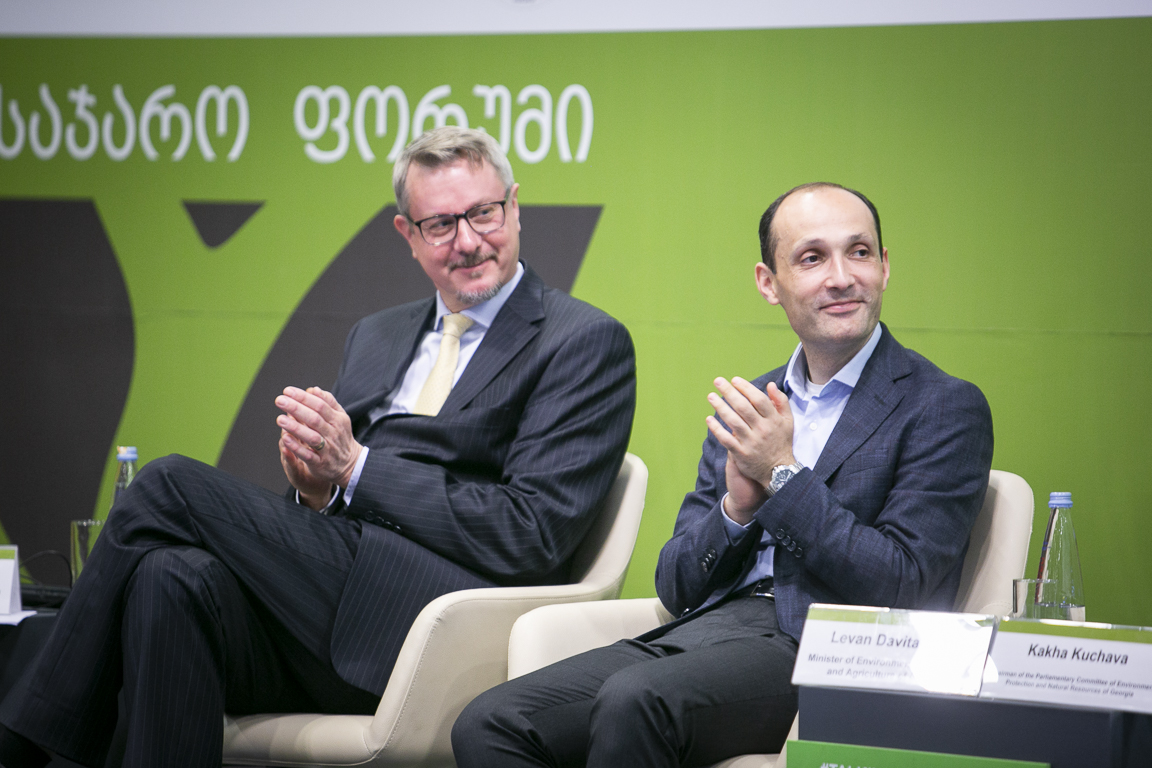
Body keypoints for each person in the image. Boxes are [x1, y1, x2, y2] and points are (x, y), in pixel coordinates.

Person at [0, 126, 636, 768]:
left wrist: (356, 468)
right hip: (332, 605)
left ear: (514, 207)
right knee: (171, 579)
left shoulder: (581, 341)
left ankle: (23, 742)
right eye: (441, 224)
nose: (468, 241)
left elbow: (531, 533)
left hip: (439, 620)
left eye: (483, 213)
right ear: (408, 235)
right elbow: (334, 504)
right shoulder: (377, 335)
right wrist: (318, 493)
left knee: (167, 485)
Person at [453, 182, 994, 767]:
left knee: (637, 700)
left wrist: (781, 476)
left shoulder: (942, 405)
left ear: (884, 267)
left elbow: (901, 583)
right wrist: (736, 511)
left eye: (858, 252)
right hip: (712, 632)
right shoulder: (752, 404)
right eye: (812, 258)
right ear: (769, 283)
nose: (841, 277)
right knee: (492, 722)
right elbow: (676, 584)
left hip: (834, 652)